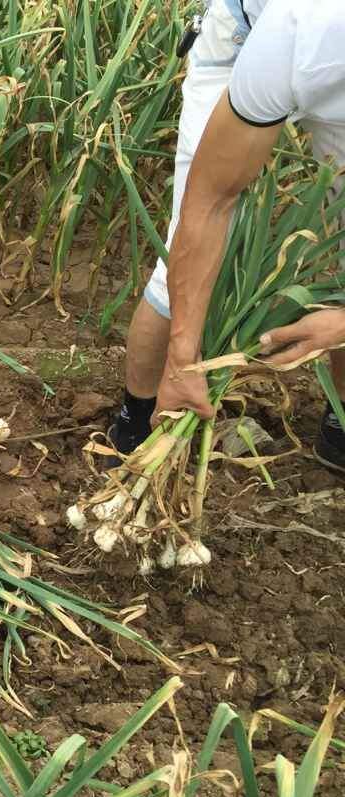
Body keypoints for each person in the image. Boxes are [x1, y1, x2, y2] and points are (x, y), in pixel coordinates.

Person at [105, 0, 345, 471]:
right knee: (180, 256)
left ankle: (340, 427)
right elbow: (211, 202)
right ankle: (137, 424)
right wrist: (183, 358)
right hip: (251, 37)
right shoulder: (308, 32)